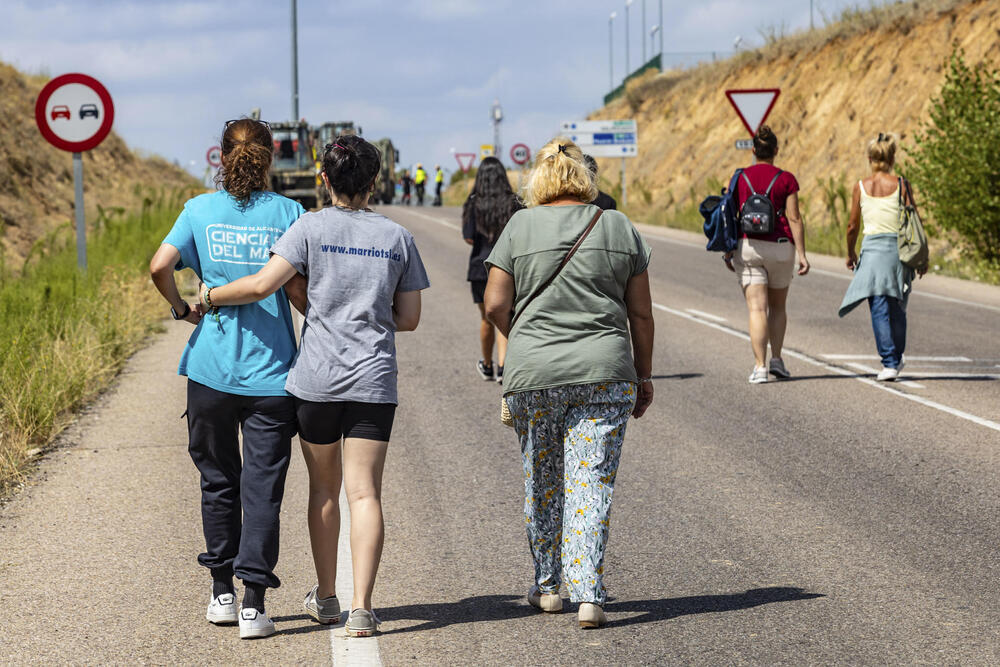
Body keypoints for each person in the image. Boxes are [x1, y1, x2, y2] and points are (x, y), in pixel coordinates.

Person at [197, 134, 430, 638]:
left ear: (324, 179)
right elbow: (408, 319)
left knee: (325, 489)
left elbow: (264, 285)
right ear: (374, 181)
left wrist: (211, 294)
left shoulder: (308, 227)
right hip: (373, 381)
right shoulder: (397, 237)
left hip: (317, 382)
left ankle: (327, 598)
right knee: (365, 493)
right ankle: (364, 607)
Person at [483, 138, 654, 629]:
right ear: (586, 179)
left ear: (539, 180)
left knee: (543, 479)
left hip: (534, 376)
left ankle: (549, 586)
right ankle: (590, 596)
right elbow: (641, 315)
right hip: (605, 373)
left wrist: (527, 339)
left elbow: (495, 303)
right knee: (590, 479)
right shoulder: (618, 225)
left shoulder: (519, 226)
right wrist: (643, 375)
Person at [149, 118, 307, 640]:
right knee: (262, 489)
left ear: (221, 157)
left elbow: (159, 266)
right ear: (269, 158)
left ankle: (220, 592)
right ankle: (253, 604)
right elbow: (302, 292)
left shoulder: (199, 209)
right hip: (271, 374)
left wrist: (181, 310)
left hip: (210, 370)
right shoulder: (289, 213)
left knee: (218, 481)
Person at [723, 125, 810, 384]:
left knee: (757, 309)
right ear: (775, 150)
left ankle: (760, 368)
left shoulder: (739, 177)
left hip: (748, 246)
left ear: (753, 150)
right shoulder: (786, 179)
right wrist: (802, 254)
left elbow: (730, 215)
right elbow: (794, 217)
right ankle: (777, 359)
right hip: (781, 246)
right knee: (778, 307)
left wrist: (728, 249)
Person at [839, 132, 923, 381]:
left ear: (869, 158)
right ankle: (894, 358)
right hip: (898, 252)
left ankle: (889, 362)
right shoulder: (902, 184)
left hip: (873, 252)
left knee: (878, 306)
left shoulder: (860, 186)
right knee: (897, 306)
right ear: (892, 156)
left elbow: (852, 226)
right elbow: (915, 220)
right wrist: (923, 258)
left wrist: (850, 252)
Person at [462, 156, 523, 383]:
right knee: (507, 314)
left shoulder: (473, 202)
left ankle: (487, 365)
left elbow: (468, 237)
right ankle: (505, 366)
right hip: (510, 266)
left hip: (480, 267)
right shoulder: (515, 202)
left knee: (487, 318)